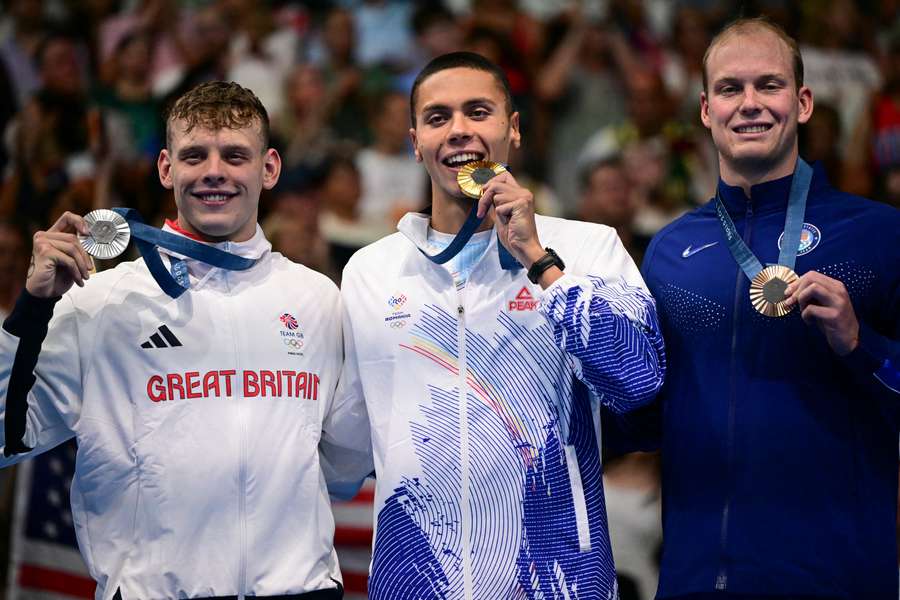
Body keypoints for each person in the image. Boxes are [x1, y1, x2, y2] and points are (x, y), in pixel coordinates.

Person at [0, 81, 371, 598]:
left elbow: (344, 462)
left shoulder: (316, 299)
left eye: (234, 155)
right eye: (195, 155)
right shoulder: (101, 302)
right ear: (166, 169)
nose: (214, 171)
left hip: (300, 588)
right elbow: (5, 436)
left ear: (269, 169)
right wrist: (32, 309)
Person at [338, 52, 666, 599]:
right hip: (418, 580)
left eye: (478, 111)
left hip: (560, 582)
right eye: (438, 118)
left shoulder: (589, 247)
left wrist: (539, 259)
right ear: (415, 140)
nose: (459, 130)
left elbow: (639, 380)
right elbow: (348, 441)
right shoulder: (370, 272)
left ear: (512, 129)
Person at [610, 17, 900, 599]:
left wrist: (860, 344)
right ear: (704, 108)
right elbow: (644, 420)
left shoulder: (879, 235)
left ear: (804, 102)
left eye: (768, 85)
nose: (749, 104)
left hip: (839, 579)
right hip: (696, 580)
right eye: (729, 88)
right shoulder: (668, 252)